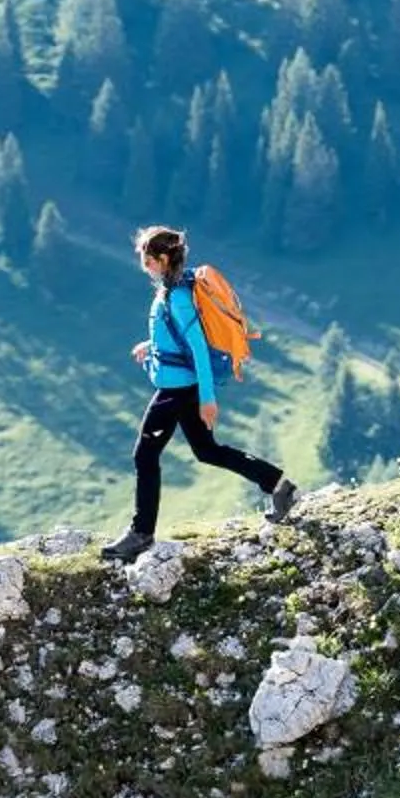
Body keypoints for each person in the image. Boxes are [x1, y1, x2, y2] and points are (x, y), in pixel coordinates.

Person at [102, 225, 298, 563]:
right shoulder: (173, 290)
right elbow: (179, 338)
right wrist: (151, 346)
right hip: (180, 385)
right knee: (207, 450)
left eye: (146, 259)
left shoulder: (177, 297)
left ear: (162, 259)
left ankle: (141, 533)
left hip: (178, 390)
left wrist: (208, 398)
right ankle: (278, 485)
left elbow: (197, 348)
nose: (143, 265)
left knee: (144, 456)